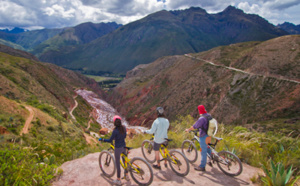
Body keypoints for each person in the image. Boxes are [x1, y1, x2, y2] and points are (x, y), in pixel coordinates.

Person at [99, 115, 128, 185]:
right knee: (125, 160)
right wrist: (118, 138)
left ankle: (118, 179)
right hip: (124, 146)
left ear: (114, 123)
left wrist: (102, 139)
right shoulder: (124, 127)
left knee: (117, 163)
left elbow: (109, 140)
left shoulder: (115, 131)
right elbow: (124, 136)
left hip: (118, 148)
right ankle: (126, 174)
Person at [185, 105, 212, 171]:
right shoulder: (209, 115)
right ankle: (210, 160)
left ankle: (202, 166)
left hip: (204, 135)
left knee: (203, 151)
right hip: (209, 134)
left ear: (199, 110)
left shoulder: (202, 118)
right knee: (208, 147)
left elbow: (195, 126)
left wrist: (188, 129)